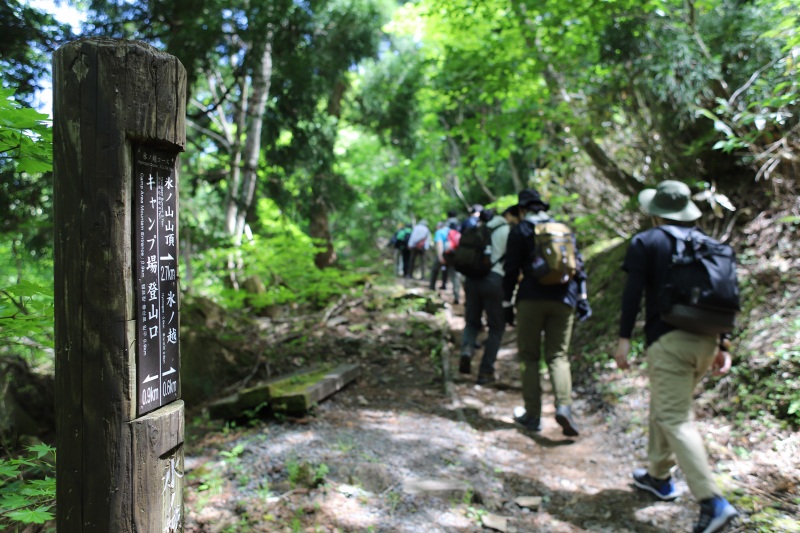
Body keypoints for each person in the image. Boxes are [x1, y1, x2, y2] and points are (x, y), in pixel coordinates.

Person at [614, 180, 738, 533]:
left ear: (656, 213)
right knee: (665, 406)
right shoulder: (709, 244)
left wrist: (624, 338)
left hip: (669, 341)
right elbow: (726, 295)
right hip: (706, 343)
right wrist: (723, 345)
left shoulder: (647, 241)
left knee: (675, 417)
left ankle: (712, 502)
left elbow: (632, 293)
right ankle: (658, 476)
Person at [503, 188, 590, 436]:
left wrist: (506, 303)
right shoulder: (562, 229)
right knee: (558, 356)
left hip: (531, 298)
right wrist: (582, 298)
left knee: (529, 357)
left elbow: (510, 270)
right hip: (564, 298)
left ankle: (533, 415)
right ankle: (564, 407)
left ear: (522, 209)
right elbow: (578, 266)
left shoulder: (520, 230)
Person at [458, 208, 509, 385]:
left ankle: (467, 349)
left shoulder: (479, 229)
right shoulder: (506, 230)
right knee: (496, 327)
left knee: (472, 321)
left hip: (472, 280)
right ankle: (485, 371)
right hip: (494, 280)